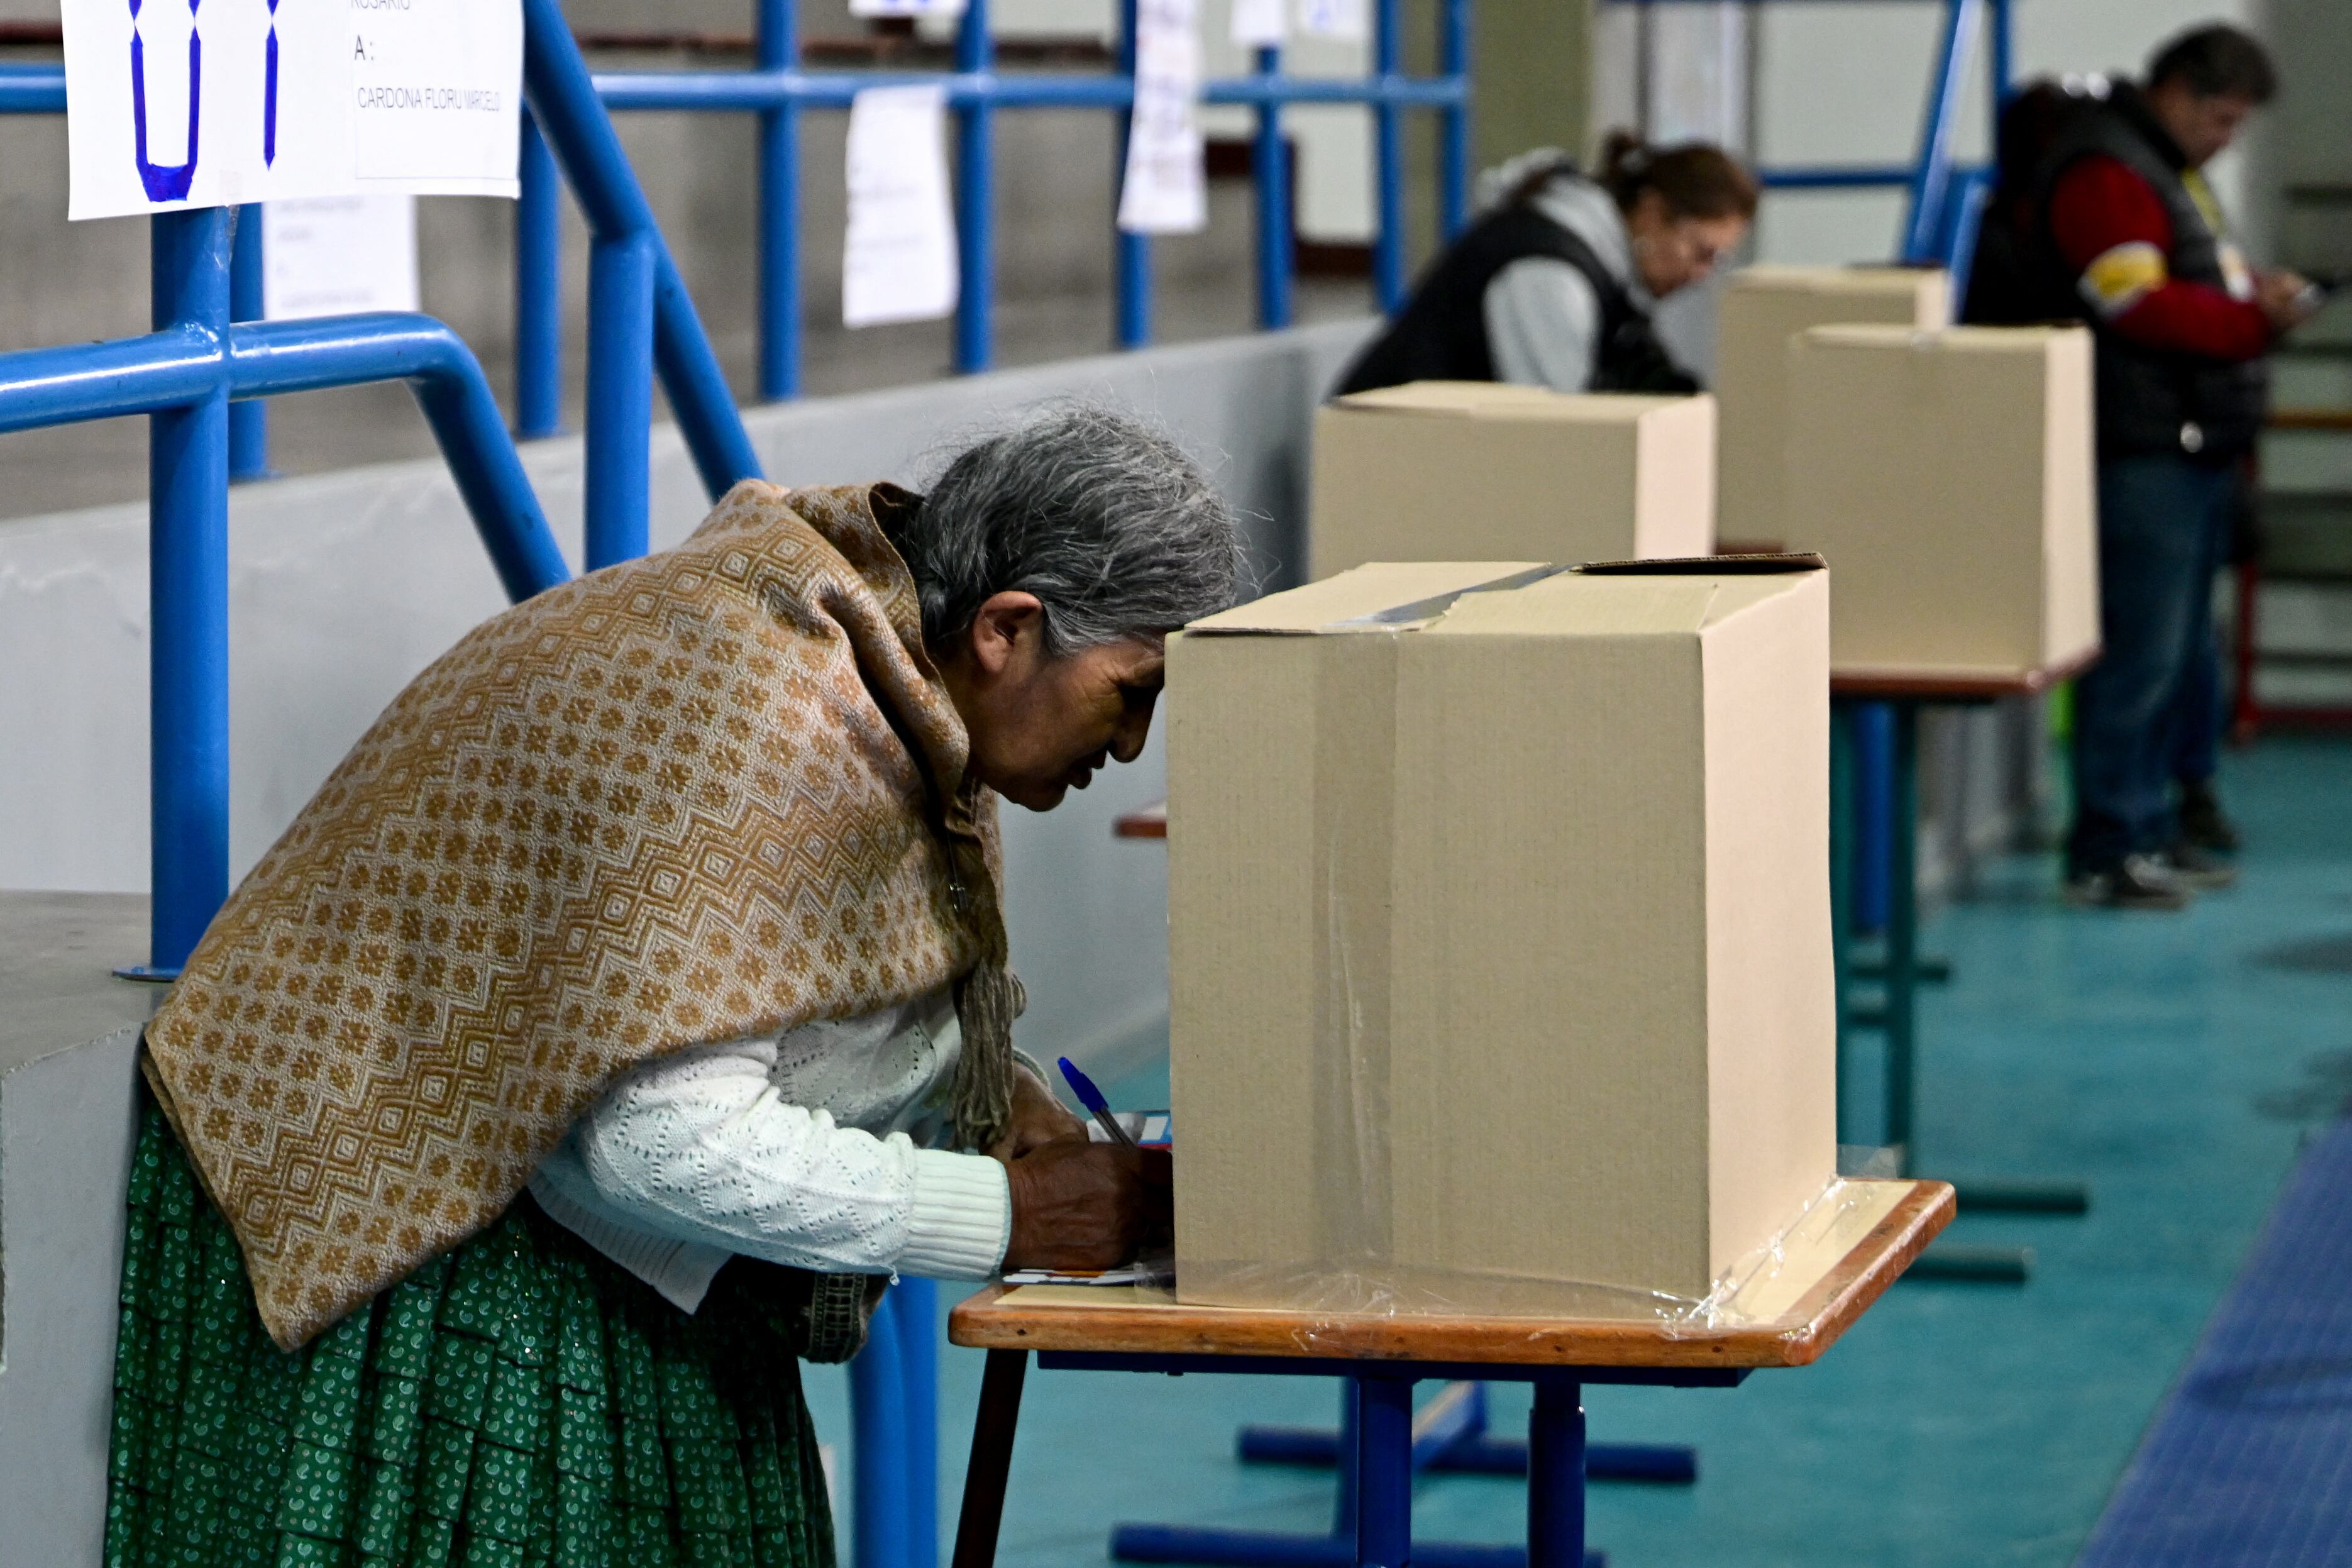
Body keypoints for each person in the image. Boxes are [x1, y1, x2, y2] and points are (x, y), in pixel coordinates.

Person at [105, 406, 1242, 1568]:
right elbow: (656, 1144)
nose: (1135, 744)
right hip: (430, 1234)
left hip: (564, 1224)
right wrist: (1008, 1216)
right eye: (1131, 688)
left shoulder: (884, 673)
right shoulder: (771, 712)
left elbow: (792, 975)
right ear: (1007, 628)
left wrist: (991, 1091)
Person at [2005, 25, 2318, 909]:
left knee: (2175, 656)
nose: (2226, 140)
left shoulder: (2161, 173)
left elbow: (2186, 276)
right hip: (2142, 450)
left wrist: (2247, 289)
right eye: (2219, 119)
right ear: (2175, 91)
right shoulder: (2109, 172)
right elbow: (2136, 303)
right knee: (2139, 659)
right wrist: (2252, 324)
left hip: (2183, 446)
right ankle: (2107, 842)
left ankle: (2144, 830)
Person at [1333, 130, 1759, 398]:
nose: (1701, 274)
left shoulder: (1605, 276)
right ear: (1650, 213)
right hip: (1392, 473)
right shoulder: (1547, 272)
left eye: (1717, 261)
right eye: (1700, 252)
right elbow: (1557, 433)